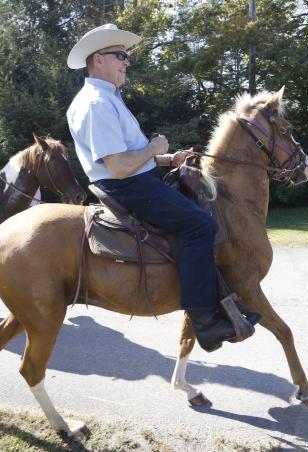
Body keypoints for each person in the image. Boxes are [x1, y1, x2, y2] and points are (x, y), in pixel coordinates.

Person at [66, 24, 259, 352]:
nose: (126, 62)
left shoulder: (107, 99)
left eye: (125, 56)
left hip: (136, 179)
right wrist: (155, 148)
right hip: (127, 186)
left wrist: (169, 158)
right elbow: (119, 167)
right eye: (120, 56)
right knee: (200, 226)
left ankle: (222, 302)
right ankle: (206, 322)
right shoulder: (96, 103)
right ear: (98, 60)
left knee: (200, 210)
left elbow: (130, 156)